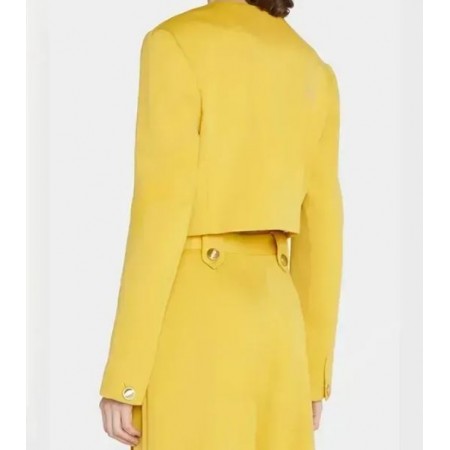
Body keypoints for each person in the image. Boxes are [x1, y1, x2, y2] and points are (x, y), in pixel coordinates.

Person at [99, 0, 344, 449]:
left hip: (198, 320)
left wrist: (126, 375)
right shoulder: (312, 68)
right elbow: (323, 227)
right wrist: (312, 374)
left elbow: (161, 208)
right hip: (280, 325)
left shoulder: (176, 43)